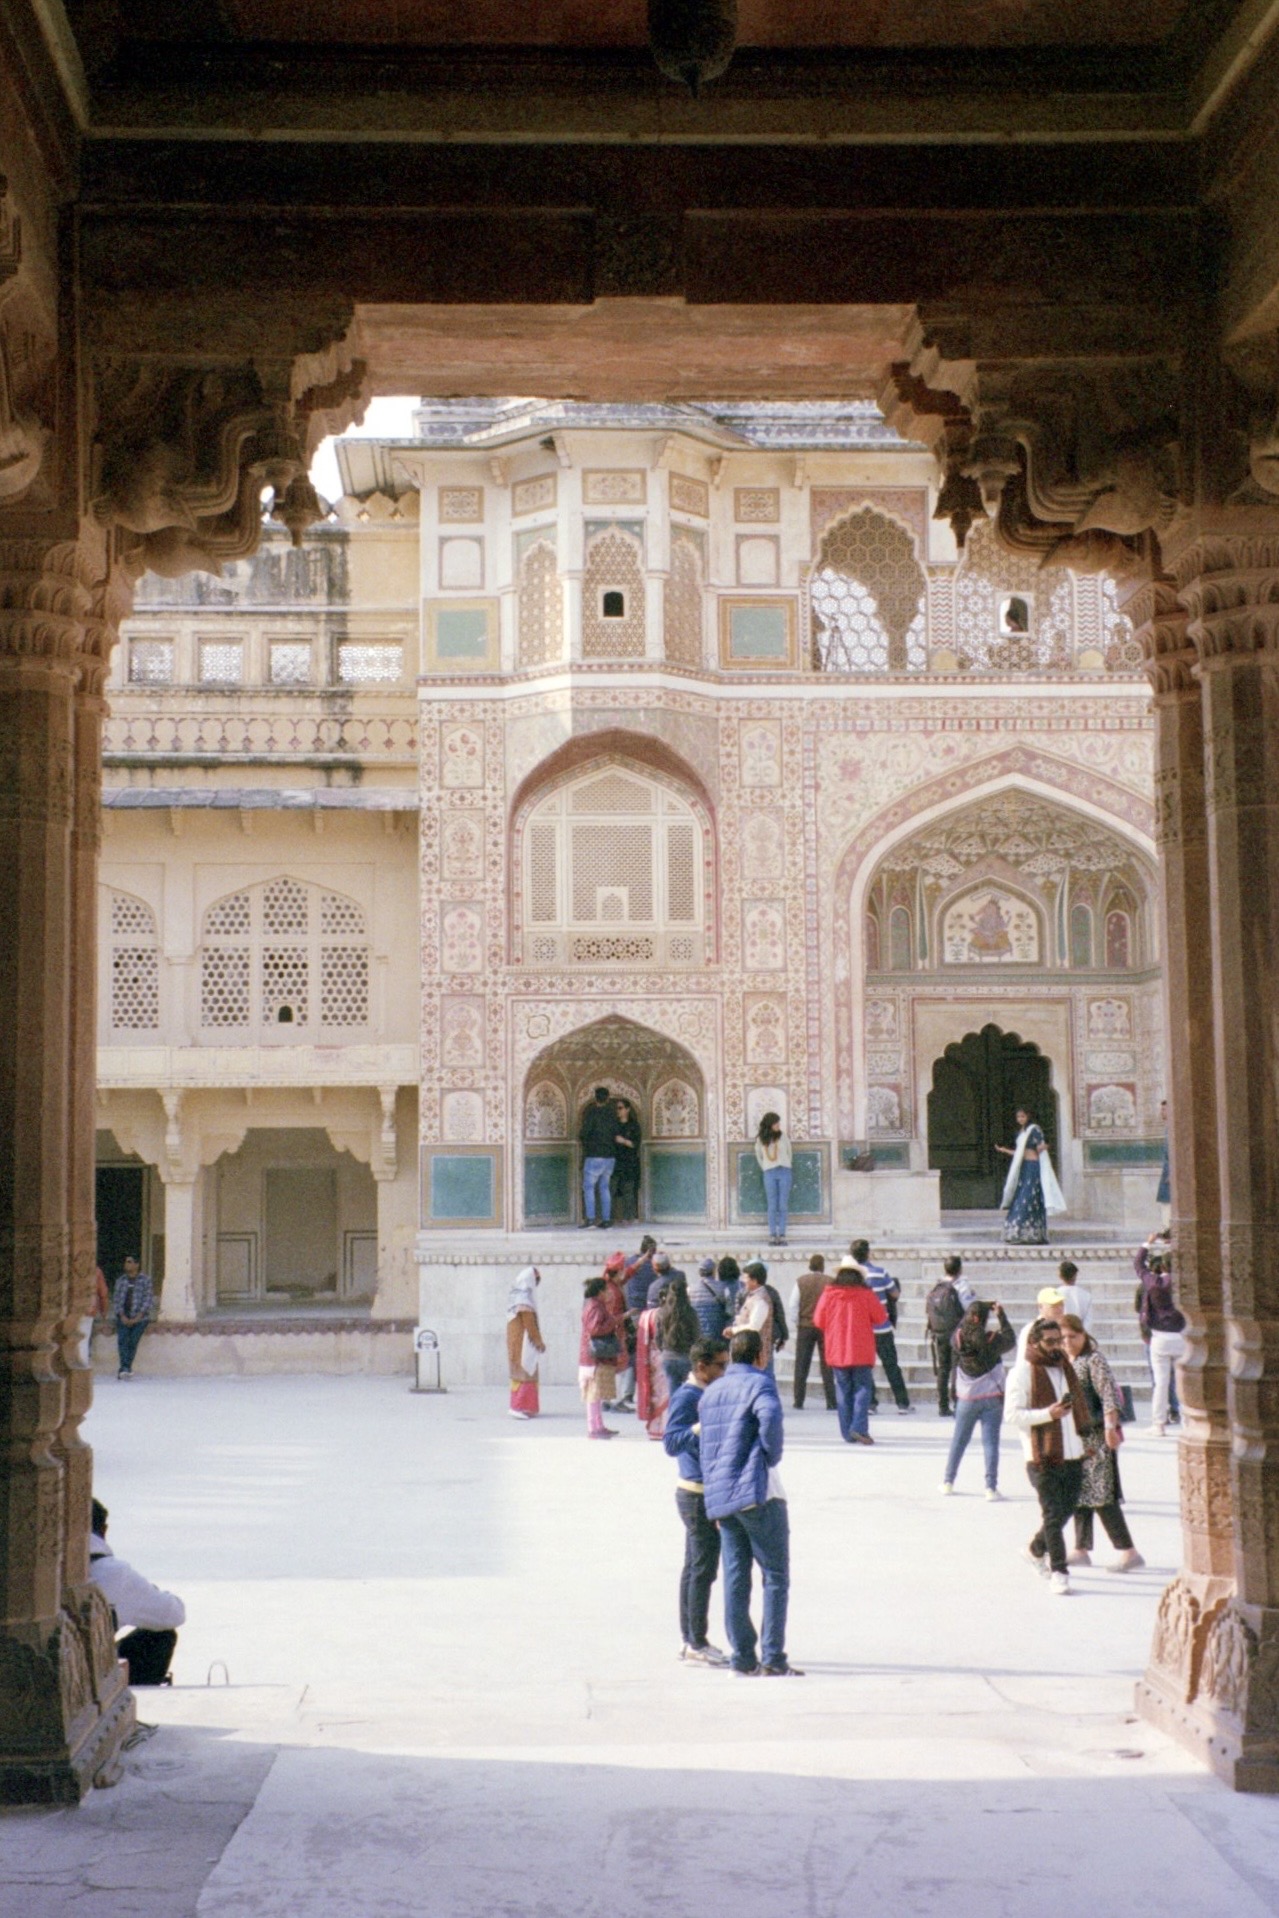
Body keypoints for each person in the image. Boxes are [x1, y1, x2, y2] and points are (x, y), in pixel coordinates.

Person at [699, 1328, 803, 1677]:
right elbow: (771, 1418)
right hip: (758, 1492)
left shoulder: (711, 1392)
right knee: (775, 1575)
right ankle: (773, 1657)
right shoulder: (760, 1384)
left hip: (723, 1496)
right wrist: (770, 1454)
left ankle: (742, 1657)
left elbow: (706, 1447)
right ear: (761, 1356)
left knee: (735, 1577)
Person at [1006, 1317, 1090, 1595]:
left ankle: (1034, 1549)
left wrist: (1085, 1440)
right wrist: (1047, 1414)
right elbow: (1012, 1415)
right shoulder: (1021, 1373)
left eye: (1061, 1340)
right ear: (1034, 1342)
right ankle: (1059, 1571)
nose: (1059, 1346)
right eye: (1051, 1342)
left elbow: (1077, 1409)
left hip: (1073, 1452)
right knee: (1053, 1514)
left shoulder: (1065, 1367)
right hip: (1041, 1456)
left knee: (1066, 1511)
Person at [663, 1336, 731, 1666]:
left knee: (695, 1568)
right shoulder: (688, 1397)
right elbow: (672, 1441)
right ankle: (696, 1640)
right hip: (695, 1493)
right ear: (701, 1366)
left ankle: (689, 1638)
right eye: (720, 1365)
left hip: (702, 1492)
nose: (724, 1371)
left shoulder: (704, 1393)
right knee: (702, 1570)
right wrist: (702, 1428)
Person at [1061, 1315, 1144, 1571]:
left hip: (1097, 1436)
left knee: (1102, 1494)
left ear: (1083, 1335)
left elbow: (1108, 1395)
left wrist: (1110, 1427)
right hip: (1076, 1438)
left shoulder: (1093, 1360)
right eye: (1063, 1338)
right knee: (1080, 1493)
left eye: (1072, 1337)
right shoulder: (1065, 1362)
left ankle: (1128, 1551)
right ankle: (1081, 1549)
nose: (1068, 1342)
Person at [89, 1498, 185, 1686]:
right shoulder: (113, 1573)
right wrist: (147, 1593)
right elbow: (173, 1614)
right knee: (161, 1635)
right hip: (92, 1676)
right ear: (104, 1530)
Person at [940, 1301, 1015, 1497]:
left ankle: (948, 1481)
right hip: (992, 1397)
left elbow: (959, 1330)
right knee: (990, 1443)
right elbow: (1010, 1338)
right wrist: (1001, 1315)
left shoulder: (957, 1338)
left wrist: (972, 1311)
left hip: (967, 1397)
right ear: (983, 1319)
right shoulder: (991, 1340)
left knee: (959, 1440)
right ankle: (990, 1487)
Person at [813, 1257, 887, 1444]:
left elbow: (818, 1321)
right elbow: (880, 1317)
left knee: (843, 1389)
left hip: (837, 1349)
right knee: (862, 1388)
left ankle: (847, 1432)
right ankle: (859, 1427)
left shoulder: (829, 1294)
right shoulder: (866, 1294)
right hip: (861, 1348)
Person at [853, 1238, 914, 1416]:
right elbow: (895, 1293)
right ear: (868, 1253)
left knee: (865, 1367)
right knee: (891, 1365)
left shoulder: (853, 1277)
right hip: (882, 1327)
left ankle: (871, 1403)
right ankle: (902, 1403)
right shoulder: (880, 1273)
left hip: (864, 1330)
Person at [1134, 1233, 1186, 1435]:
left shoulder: (1153, 1282)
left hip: (1160, 1337)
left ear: (1163, 1267)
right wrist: (1176, 1243)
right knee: (1184, 1381)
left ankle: (1159, 1424)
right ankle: (1188, 1421)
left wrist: (1148, 1242)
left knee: (1161, 1383)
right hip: (1182, 1335)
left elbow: (1139, 1264)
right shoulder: (1183, 1281)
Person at [996, 1107, 1066, 1245]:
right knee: (1020, 1199)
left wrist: (1044, 1146)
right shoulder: (1021, 1133)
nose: (1020, 1119)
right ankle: (1017, 1233)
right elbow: (1020, 1153)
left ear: (1028, 1116)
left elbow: (1042, 1145)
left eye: (1022, 1116)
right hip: (1024, 1168)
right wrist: (1004, 1150)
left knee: (1029, 1198)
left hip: (1033, 1168)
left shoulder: (1034, 1130)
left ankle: (1031, 1234)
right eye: (1018, 1117)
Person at [579, 1276, 625, 1439]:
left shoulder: (595, 1305)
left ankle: (599, 1425)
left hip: (595, 1358)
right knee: (592, 1394)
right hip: (594, 1358)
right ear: (600, 1292)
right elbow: (595, 1329)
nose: (609, 1293)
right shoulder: (595, 1307)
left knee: (596, 1394)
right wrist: (615, 1320)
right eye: (606, 1290)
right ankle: (593, 1428)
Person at [789, 1254, 836, 1412]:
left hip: (805, 1326)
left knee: (801, 1364)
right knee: (827, 1365)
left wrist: (797, 1322)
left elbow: (793, 1305)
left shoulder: (801, 1281)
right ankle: (831, 1401)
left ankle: (798, 1400)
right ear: (823, 1266)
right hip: (824, 1327)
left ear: (810, 1266)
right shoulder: (830, 1282)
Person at [925, 1256, 972, 1416]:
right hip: (956, 1333)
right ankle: (958, 1403)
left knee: (943, 1369)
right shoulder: (962, 1286)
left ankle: (942, 1406)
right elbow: (969, 1307)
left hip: (939, 1333)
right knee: (957, 1368)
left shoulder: (937, 1286)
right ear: (960, 1269)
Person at [506, 1264, 546, 1419]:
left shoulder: (515, 1295)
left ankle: (523, 1406)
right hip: (523, 1343)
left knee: (520, 1373)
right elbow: (529, 1323)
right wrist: (538, 1341)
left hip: (516, 1341)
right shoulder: (525, 1299)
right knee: (525, 1372)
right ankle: (518, 1406)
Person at [656, 1272, 700, 1400]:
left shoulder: (662, 1312)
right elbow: (696, 1336)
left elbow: (658, 1337)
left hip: (668, 1356)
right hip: (686, 1356)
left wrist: (663, 1349)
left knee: (673, 1393)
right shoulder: (691, 1312)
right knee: (689, 1393)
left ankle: (674, 1417)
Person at [580, 1086, 617, 1229]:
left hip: (594, 1155)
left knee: (589, 1187)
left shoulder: (591, 1113)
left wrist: (588, 1145)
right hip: (609, 1157)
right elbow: (615, 1133)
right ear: (608, 1098)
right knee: (604, 1187)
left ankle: (590, 1220)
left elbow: (584, 1133)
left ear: (595, 1098)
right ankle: (606, 1220)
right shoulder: (612, 1115)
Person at [113, 1255, 154, 1379]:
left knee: (132, 1341)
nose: (127, 1264)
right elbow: (117, 1299)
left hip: (140, 1318)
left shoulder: (145, 1280)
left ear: (137, 1265)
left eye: (130, 1262)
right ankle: (125, 1368)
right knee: (123, 1341)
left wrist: (137, 1317)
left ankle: (125, 1368)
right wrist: (122, 1316)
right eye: (126, 1262)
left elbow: (147, 1300)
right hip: (123, 1316)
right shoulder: (121, 1281)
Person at [755, 1111, 792, 1247]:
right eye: (776, 1122)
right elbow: (759, 1156)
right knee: (772, 1205)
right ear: (770, 1124)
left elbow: (789, 1152)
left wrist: (786, 1165)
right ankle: (772, 1234)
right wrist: (766, 1167)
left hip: (784, 1171)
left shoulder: (783, 1137)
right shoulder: (761, 1139)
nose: (778, 1125)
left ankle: (782, 1234)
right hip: (769, 1172)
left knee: (782, 1205)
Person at [731, 1261, 775, 1366]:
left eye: (746, 1278)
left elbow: (754, 1327)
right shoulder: (752, 1296)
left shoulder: (761, 1300)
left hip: (756, 1354)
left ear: (754, 1281)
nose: (743, 1281)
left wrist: (733, 1330)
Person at [1014, 1285, 1067, 1360]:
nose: (1060, 1308)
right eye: (1054, 1305)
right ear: (1040, 1307)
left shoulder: (1061, 1327)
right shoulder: (1031, 1330)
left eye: (1061, 1304)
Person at [611, 1098, 642, 1224]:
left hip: (629, 1162)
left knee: (628, 1189)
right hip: (615, 1162)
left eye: (620, 1108)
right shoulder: (614, 1125)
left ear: (627, 1109)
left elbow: (635, 1144)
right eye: (617, 1108)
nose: (618, 1111)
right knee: (613, 1189)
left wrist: (623, 1141)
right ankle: (614, 1217)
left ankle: (628, 1217)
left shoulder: (634, 1125)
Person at [690, 1256, 732, 1341]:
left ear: (699, 1272)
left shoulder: (690, 1289)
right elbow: (730, 1312)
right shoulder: (723, 1288)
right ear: (714, 1271)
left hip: (698, 1333)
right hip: (717, 1333)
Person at [1057, 1260, 1093, 1331]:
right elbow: (1088, 1320)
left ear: (1060, 1276)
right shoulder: (1086, 1295)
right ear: (1075, 1275)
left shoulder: (1055, 1294)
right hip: (1079, 1333)